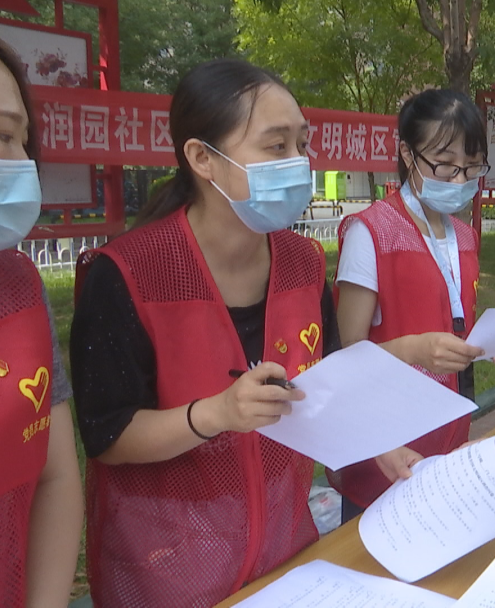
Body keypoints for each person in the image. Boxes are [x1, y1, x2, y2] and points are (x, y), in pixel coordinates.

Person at [71, 59, 336, 607]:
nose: (298, 163)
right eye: (276, 146)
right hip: (166, 574)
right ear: (201, 158)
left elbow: (330, 383)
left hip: (284, 562)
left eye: (302, 144)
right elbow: (107, 436)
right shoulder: (127, 274)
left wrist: (383, 449)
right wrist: (215, 414)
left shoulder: (305, 263)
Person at [333, 89, 495, 520]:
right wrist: (413, 350)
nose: (458, 180)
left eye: (471, 166)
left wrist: (494, 346)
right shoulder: (371, 232)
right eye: (444, 164)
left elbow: (455, 323)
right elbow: (345, 357)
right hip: (384, 441)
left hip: (447, 430)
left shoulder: (465, 236)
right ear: (407, 153)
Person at [0, 15, 82, 608]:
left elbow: (55, 475)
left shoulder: (14, 284)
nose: (23, 162)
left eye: (25, 141)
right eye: (2, 135)